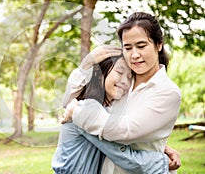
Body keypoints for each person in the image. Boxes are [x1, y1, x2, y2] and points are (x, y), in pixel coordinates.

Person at [63, 12, 181, 173]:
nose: (134, 54)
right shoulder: (123, 82)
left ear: (158, 45)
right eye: (127, 47)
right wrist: (87, 64)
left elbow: (125, 130)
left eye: (141, 46)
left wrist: (77, 112)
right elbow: (69, 101)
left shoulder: (168, 92)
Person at [52, 53, 173, 174]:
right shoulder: (87, 109)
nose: (125, 81)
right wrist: (162, 161)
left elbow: (121, 134)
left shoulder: (105, 111)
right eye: (119, 73)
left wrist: (162, 148)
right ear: (101, 74)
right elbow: (124, 156)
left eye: (130, 77)